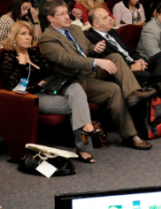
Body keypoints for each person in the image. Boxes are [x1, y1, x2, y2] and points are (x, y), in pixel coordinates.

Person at [39, 0, 156, 150]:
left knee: (115, 57)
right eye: (61, 14)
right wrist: (96, 61)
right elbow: (68, 60)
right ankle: (130, 136)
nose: (67, 16)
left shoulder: (74, 29)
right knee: (114, 89)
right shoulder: (47, 39)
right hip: (76, 81)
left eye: (66, 13)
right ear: (50, 18)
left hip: (90, 71)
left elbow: (87, 47)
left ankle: (133, 93)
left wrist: (96, 48)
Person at [86, 7, 161, 136]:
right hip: (122, 73)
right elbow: (105, 64)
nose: (110, 19)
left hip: (137, 65)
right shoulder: (90, 38)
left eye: (109, 16)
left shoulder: (112, 32)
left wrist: (139, 60)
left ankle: (157, 82)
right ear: (96, 23)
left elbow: (129, 51)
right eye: (105, 17)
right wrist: (131, 66)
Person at [1, 21, 102, 163]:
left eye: (29, 34)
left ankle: (86, 127)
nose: (28, 37)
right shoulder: (9, 56)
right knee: (78, 106)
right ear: (14, 37)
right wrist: (22, 66)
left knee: (76, 89)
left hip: (52, 89)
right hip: (33, 97)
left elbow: (49, 71)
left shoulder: (34, 52)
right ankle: (85, 143)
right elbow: (11, 86)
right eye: (23, 34)